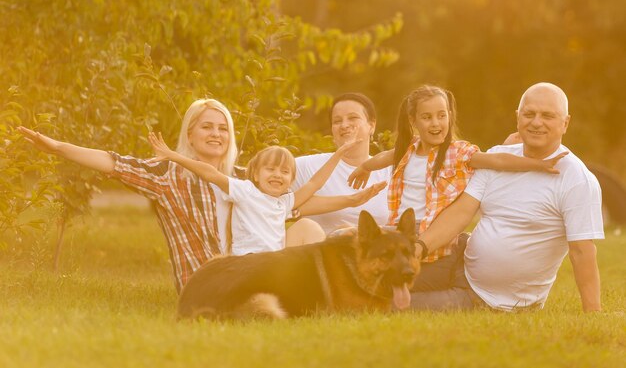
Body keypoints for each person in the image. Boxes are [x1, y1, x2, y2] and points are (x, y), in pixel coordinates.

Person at [348, 85, 566, 291]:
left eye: (442, 115)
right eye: (427, 117)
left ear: (449, 116)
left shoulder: (458, 153)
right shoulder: (409, 148)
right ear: (413, 120)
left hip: (434, 239)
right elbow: (387, 157)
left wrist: (537, 164)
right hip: (400, 234)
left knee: (391, 285)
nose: (436, 123)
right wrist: (365, 167)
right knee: (358, 259)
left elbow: (498, 160)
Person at [409, 83, 603, 312]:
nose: (536, 122)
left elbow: (582, 251)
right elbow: (461, 212)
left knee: (392, 304)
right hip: (458, 260)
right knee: (385, 278)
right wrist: (420, 247)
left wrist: (593, 312)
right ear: (518, 118)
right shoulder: (498, 157)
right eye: (529, 114)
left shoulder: (576, 179)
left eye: (547, 116)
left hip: (487, 299)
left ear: (565, 123)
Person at [20, 99, 234, 291]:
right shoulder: (169, 176)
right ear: (190, 135)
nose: (216, 134)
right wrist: (58, 148)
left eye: (223, 129)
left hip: (244, 277)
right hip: (203, 287)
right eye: (207, 127)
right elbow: (114, 163)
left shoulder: (244, 179)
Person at [148, 132, 386, 256]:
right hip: (249, 261)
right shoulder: (245, 190)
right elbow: (210, 173)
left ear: (290, 181)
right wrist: (173, 155)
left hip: (276, 262)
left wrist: (339, 154)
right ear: (255, 174)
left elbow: (314, 183)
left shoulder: (284, 202)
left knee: (307, 226)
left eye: (284, 172)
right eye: (270, 169)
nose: (277, 175)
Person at [292, 93, 391, 234]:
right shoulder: (306, 166)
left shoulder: (390, 171)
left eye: (353, 118)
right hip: (320, 252)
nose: (344, 125)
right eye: (337, 121)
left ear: (372, 126)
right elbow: (275, 204)